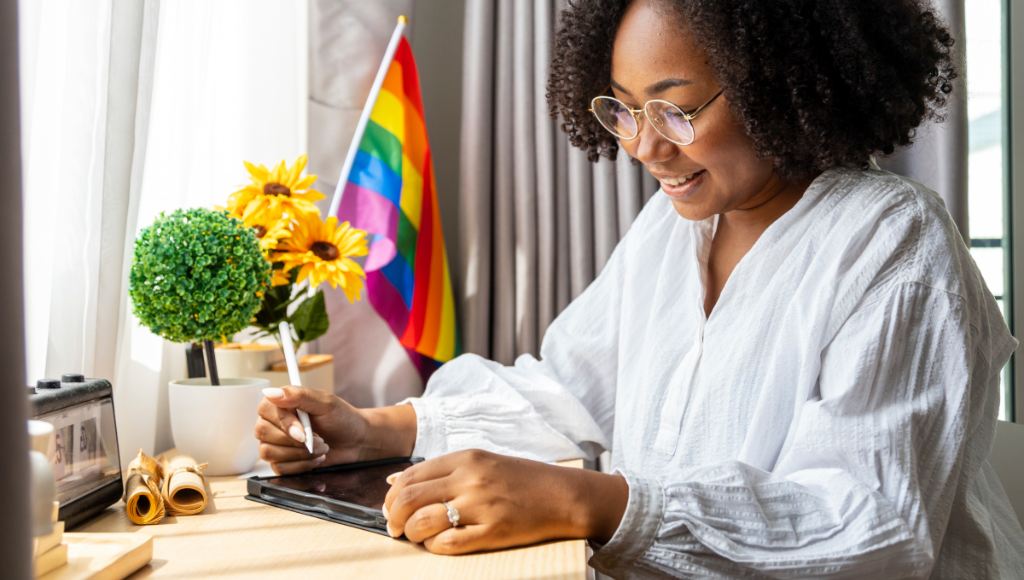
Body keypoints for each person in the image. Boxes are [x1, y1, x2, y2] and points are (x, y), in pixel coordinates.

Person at [254, 0, 1024, 576]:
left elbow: (871, 523)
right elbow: (574, 396)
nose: (644, 146)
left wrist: (601, 504)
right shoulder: (674, 227)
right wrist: (381, 429)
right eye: (623, 108)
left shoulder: (893, 241)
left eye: (676, 109)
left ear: (789, 85)